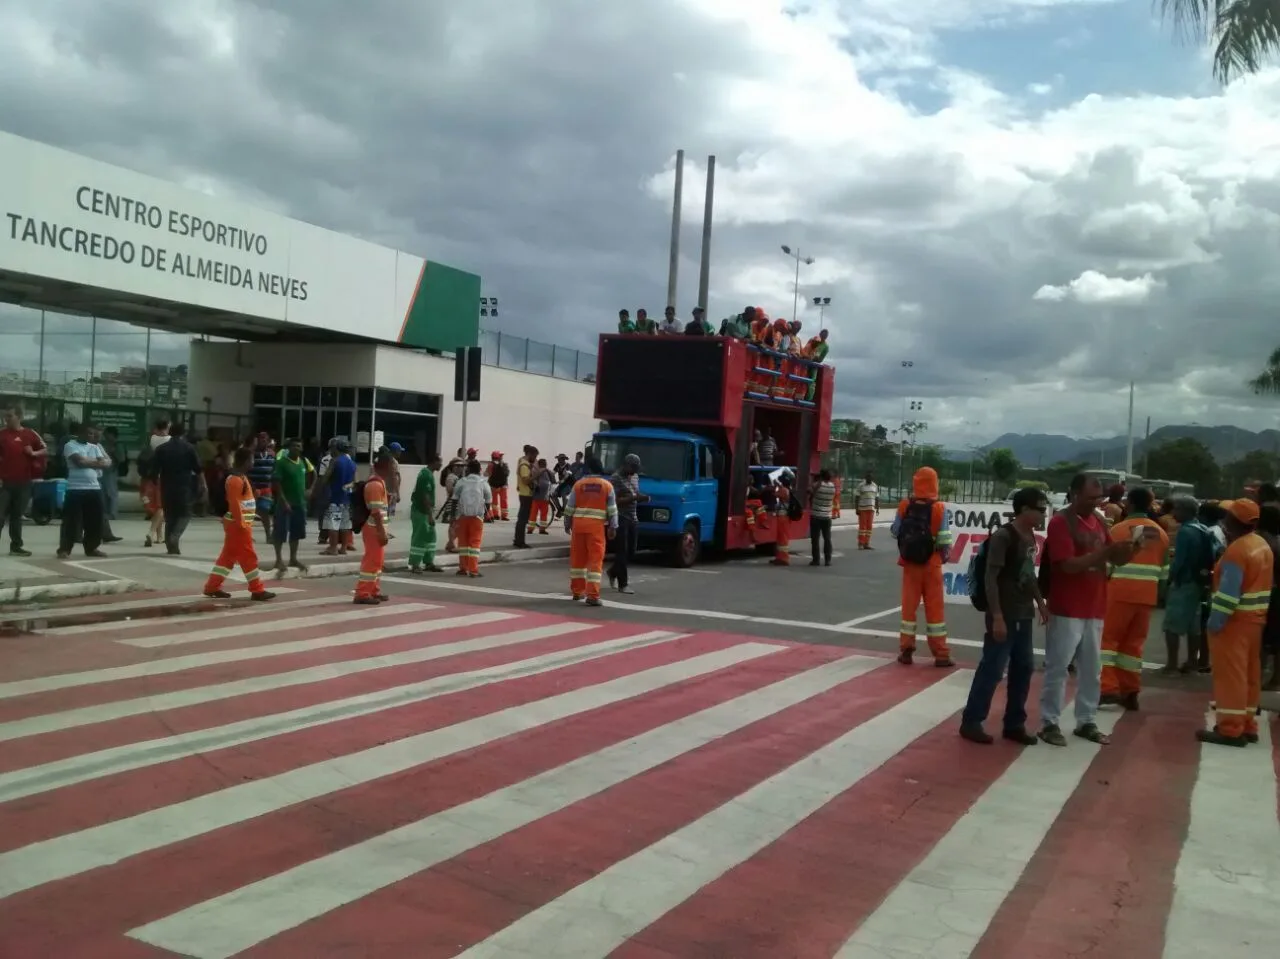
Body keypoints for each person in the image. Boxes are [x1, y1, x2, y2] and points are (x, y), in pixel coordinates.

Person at [1038, 473, 1134, 747]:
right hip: (1068, 608)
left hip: (1094, 607)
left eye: (1099, 497)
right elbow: (1067, 565)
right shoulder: (1060, 523)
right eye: (1091, 497)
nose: (1096, 502)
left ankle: (1086, 720)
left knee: (1092, 669)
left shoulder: (1099, 522)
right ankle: (1049, 722)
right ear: (1075, 494)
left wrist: (1131, 550)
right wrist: (1105, 554)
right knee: (1058, 668)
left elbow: (1114, 556)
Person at [960, 486, 1049, 745]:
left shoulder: (1030, 537)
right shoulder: (1004, 537)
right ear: (1024, 509)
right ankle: (972, 721)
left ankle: (1014, 724)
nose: (1044, 515)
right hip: (1005, 614)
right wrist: (996, 616)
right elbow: (990, 578)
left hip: (1023, 615)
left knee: (1024, 668)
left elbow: (1029, 573)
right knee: (993, 668)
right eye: (1040, 509)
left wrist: (1040, 604)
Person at [1200, 498, 1273, 747]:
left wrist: (1215, 623)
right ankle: (1247, 724)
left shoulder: (1237, 551)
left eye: (1228, 515)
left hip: (1234, 623)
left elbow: (1228, 595)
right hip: (1254, 621)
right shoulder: (1260, 545)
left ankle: (1230, 729)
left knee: (1230, 677)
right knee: (1250, 675)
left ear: (1234, 521)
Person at [1099, 487, 1169, 711]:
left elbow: (1106, 566)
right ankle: (1130, 691)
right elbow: (1165, 572)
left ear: (1128, 504)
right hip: (1147, 596)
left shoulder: (1118, 530)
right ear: (1150, 505)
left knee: (1107, 642)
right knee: (1133, 646)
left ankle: (1107, 689)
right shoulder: (1161, 533)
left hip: (1119, 593)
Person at [890, 466, 954, 667]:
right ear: (935, 483)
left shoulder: (904, 505)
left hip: (910, 565)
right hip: (932, 564)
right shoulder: (940, 508)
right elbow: (944, 540)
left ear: (916, 482)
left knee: (909, 608)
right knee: (935, 610)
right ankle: (941, 654)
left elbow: (895, 531)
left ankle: (906, 650)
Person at [203, 447, 274, 601]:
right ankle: (257, 590)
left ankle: (212, 587)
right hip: (238, 524)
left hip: (238, 523)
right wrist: (242, 523)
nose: (253, 462)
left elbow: (243, 502)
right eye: (252, 460)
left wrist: (250, 515)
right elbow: (234, 503)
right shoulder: (235, 479)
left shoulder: (240, 477)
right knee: (249, 557)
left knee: (227, 558)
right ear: (246, 461)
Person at [1162, 497, 1216, 675]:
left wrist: (1170, 579)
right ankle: (1192, 662)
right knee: (1194, 626)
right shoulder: (1202, 529)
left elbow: (1179, 561)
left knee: (1171, 625)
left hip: (1184, 581)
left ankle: (1171, 664)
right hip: (1198, 582)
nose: (1174, 513)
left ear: (1186, 511)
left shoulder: (1185, 531)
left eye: (1177, 509)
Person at [564, 457, 619, 606]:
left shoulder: (578, 485)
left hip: (578, 527)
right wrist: (613, 527)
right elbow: (612, 510)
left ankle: (577, 592)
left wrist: (567, 524)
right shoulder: (606, 486)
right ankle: (593, 595)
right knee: (595, 561)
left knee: (578, 560)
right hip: (596, 528)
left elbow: (569, 507)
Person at [57, 421, 110, 559]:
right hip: (75, 488)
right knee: (71, 520)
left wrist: (91, 462)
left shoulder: (95, 447)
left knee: (94, 520)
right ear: (81, 433)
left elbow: (105, 463)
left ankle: (92, 548)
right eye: (89, 433)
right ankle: (65, 549)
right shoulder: (70, 445)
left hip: (94, 488)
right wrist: (96, 463)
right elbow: (79, 463)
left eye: (93, 434)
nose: (92, 436)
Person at [0, 405, 47, 557]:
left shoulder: (30, 434)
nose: (6, 419)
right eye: (5, 416)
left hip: (24, 482)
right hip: (5, 482)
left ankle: (16, 546)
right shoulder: (2, 434)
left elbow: (44, 449)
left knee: (16, 516)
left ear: (19, 417)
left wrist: (33, 453)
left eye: (9, 416)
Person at [153, 422, 203, 555]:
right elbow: (198, 469)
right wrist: (203, 485)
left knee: (170, 516)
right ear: (183, 433)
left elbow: (154, 470)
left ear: (170, 432)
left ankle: (171, 547)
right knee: (185, 514)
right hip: (184, 486)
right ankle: (175, 537)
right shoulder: (189, 448)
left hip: (167, 486)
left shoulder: (161, 449)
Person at [354, 452, 392, 604]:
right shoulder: (375, 485)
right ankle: (362, 593)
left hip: (376, 527)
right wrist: (382, 532)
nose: (394, 469)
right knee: (372, 560)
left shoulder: (378, 482)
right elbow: (375, 512)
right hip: (373, 528)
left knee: (377, 561)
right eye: (392, 465)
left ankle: (373, 590)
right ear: (385, 466)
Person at [271, 438, 313, 572]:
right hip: (285, 504)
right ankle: (278, 560)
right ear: (288, 448)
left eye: (299, 446)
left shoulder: (303, 462)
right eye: (294, 446)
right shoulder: (281, 463)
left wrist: (309, 489)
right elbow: (277, 483)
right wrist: (283, 501)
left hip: (299, 503)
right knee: (280, 531)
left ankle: (293, 559)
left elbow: (313, 474)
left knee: (297, 532)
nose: (297, 448)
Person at [608, 453, 646, 594]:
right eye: (633, 467)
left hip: (633, 517)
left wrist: (641, 497)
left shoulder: (635, 477)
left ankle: (613, 572)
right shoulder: (615, 478)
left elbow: (635, 493)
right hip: (620, 517)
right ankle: (623, 584)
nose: (635, 471)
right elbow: (613, 500)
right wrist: (633, 498)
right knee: (622, 551)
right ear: (626, 465)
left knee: (631, 551)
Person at [453, 458, 491, 577]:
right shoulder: (483, 483)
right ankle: (473, 570)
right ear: (479, 470)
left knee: (463, 543)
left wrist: (452, 516)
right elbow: (488, 500)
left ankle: (463, 568)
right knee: (475, 543)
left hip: (462, 516)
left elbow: (454, 499)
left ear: (468, 469)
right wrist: (485, 515)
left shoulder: (462, 481)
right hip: (477, 517)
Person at [409, 454, 444, 573]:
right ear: (434, 461)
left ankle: (429, 562)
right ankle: (415, 564)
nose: (441, 464)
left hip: (426, 511)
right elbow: (425, 496)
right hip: (421, 511)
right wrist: (430, 515)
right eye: (440, 461)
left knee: (430, 537)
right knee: (420, 537)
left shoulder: (428, 474)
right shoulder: (425, 475)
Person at [1257, 503, 1280, 691]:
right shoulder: (1275, 541)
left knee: (1266, 639)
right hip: (1273, 593)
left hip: (1271, 595)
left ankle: (1266, 678)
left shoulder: (1265, 543)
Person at [321, 439, 357, 555]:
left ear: (336, 449)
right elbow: (354, 482)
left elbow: (325, 478)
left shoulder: (335, 461)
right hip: (347, 498)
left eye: (332, 448)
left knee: (333, 524)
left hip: (335, 498)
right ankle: (343, 548)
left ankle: (333, 548)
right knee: (345, 525)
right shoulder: (352, 463)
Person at [771, 472, 798, 567]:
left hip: (783, 517)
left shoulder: (784, 490)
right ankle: (779, 557)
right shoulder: (788, 490)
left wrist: (775, 485)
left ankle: (784, 559)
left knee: (783, 538)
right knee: (780, 537)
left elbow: (775, 494)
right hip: (784, 517)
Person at [513, 445, 537, 548]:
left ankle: (518, 540)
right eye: (534, 456)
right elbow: (526, 480)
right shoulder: (524, 465)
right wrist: (537, 475)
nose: (535, 458)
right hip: (525, 495)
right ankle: (519, 541)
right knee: (522, 519)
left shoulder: (525, 464)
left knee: (522, 519)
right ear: (530, 454)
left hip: (525, 494)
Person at [854, 471, 878, 550]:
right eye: (868, 477)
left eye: (871, 477)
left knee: (869, 527)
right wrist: (857, 508)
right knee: (862, 527)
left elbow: (876, 497)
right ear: (866, 478)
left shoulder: (875, 486)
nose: (869, 479)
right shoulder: (861, 485)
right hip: (863, 509)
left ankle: (866, 543)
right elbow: (857, 497)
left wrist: (877, 508)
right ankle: (860, 543)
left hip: (871, 509)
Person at [528, 457, 552, 534]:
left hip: (541, 497)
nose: (545, 465)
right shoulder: (538, 472)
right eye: (544, 463)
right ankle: (537, 529)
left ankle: (534, 529)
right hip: (540, 497)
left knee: (536, 514)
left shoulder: (543, 471)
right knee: (538, 514)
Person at [486, 451, 510, 521]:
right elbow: (507, 474)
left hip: (494, 486)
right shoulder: (504, 464)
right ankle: (504, 516)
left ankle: (495, 515)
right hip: (503, 485)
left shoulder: (491, 464)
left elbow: (488, 474)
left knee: (494, 502)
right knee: (504, 501)